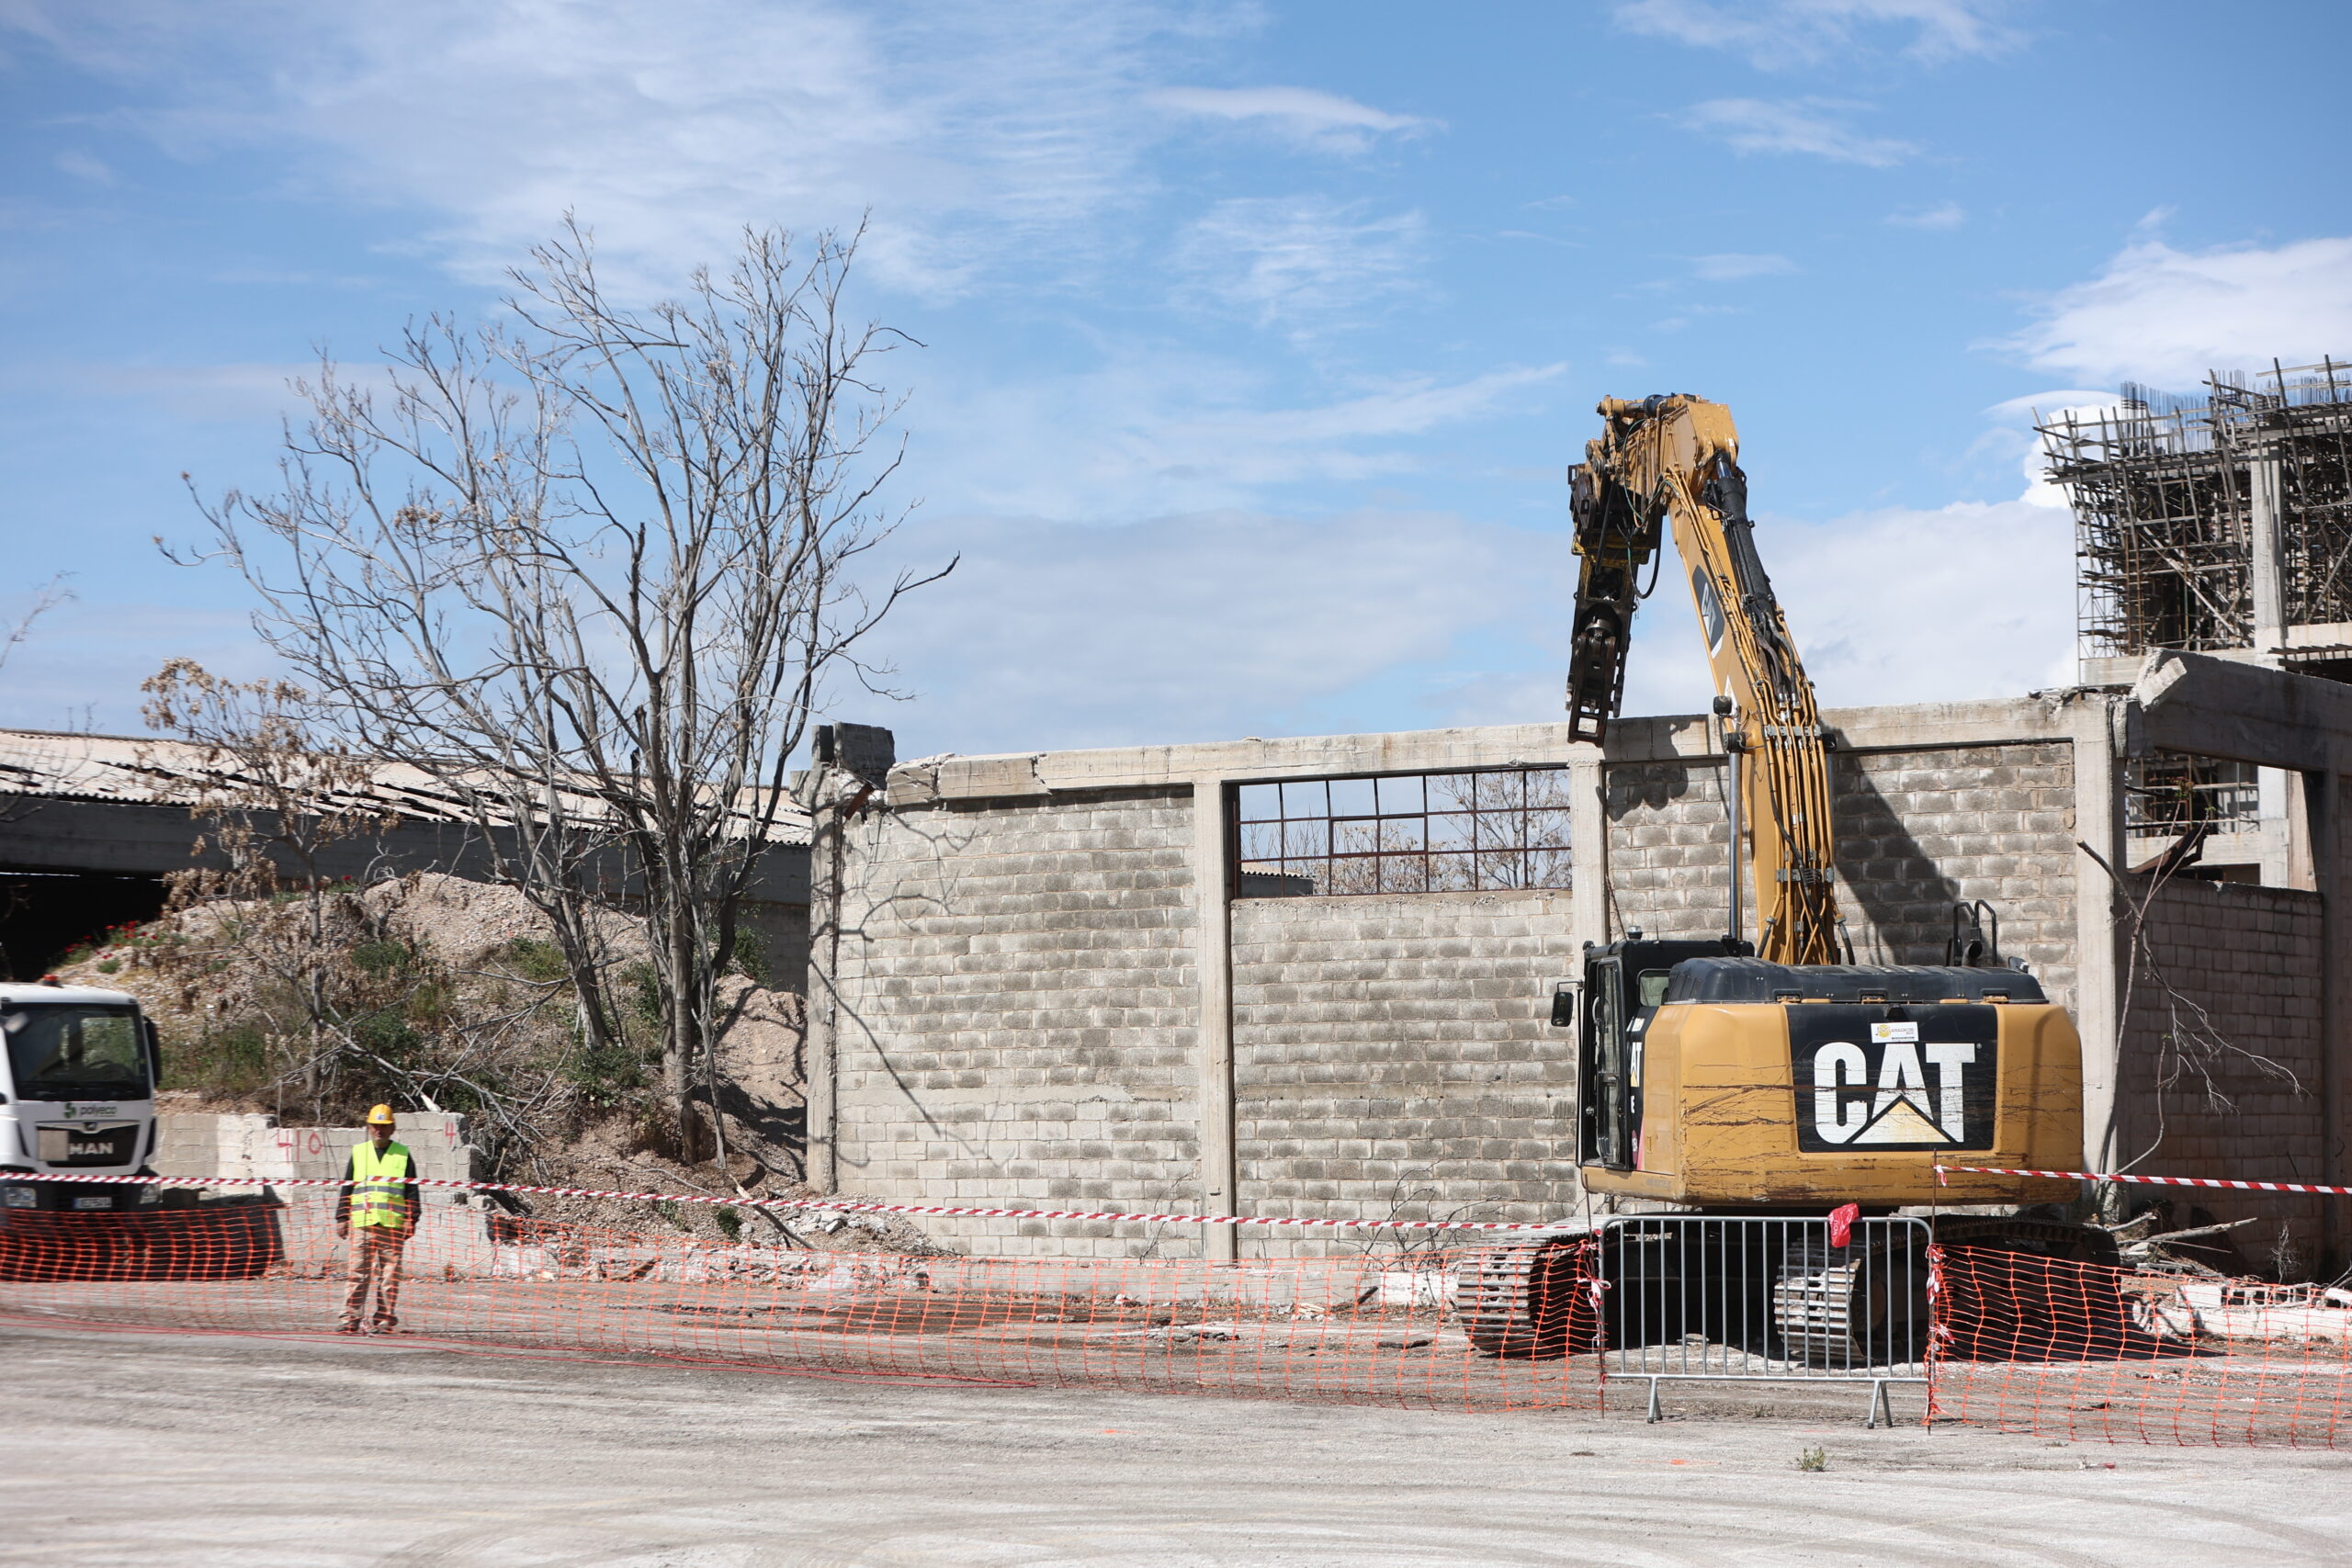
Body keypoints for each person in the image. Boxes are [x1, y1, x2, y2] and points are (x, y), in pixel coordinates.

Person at [336, 1104, 421, 1334]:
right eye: (375, 1126)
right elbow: (348, 1187)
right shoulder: (359, 1152)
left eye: (384, 1126)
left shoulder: (402, 1154)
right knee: (357, 1274)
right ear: (368, 1126)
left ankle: (384, 1320)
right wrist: (342, 1216)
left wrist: (410, 1219)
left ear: (392, 1127)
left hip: (392, 1225)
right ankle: (350, 1319)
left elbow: (411, 1190)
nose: (379, 1130)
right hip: (362, 1223)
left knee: (389, 1276)